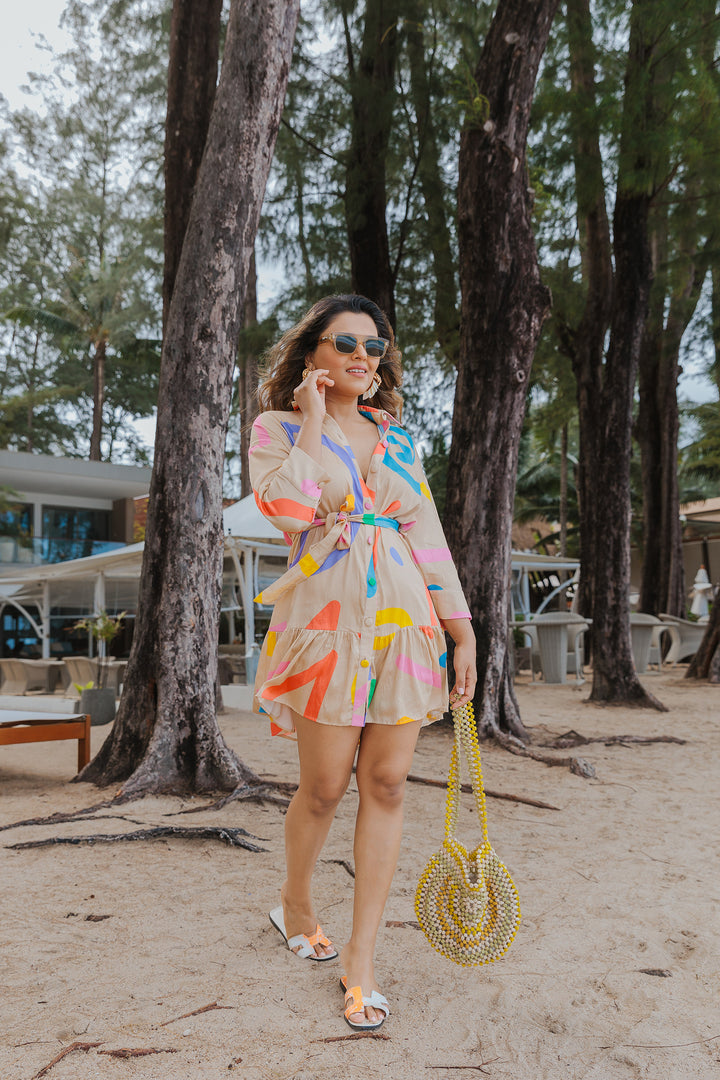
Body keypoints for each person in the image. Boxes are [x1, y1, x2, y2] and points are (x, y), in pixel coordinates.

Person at [249, 294, 476, 1030]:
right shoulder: (276, 429)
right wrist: (313, 420)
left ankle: (362, 960)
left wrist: (460, 626)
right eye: (344, 342)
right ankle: (295, 902)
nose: (362, 356)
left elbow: (429, 535)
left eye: (374, 347)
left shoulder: (398, 439)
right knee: (321, 788)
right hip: (326, 623)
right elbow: (285, 511)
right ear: (312, 351)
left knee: (385, 782)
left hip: (405, 623)